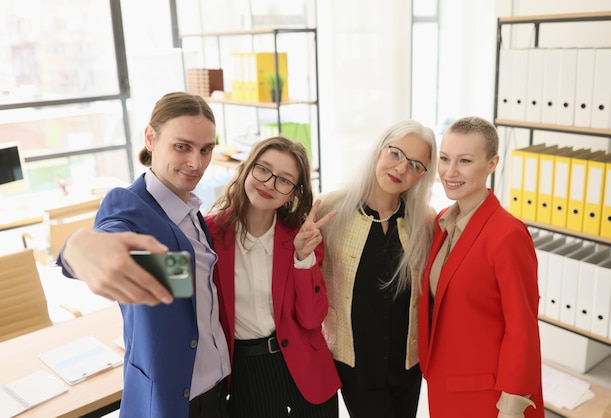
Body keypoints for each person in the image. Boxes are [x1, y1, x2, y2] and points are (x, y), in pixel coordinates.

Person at [58, 92, 231, 418]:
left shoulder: (191, 210)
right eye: (182, 146)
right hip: (173, 401)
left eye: (206, 149)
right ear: (151, 138)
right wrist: (78, 246)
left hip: (218, 391)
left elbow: (188, 294)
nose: (197, 163)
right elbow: (107, 233)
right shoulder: (129, 206)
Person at [205, 136, 341, 418]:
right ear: (246, 168)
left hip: (307, 373)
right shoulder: (209, 234)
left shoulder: (302, 238)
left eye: (284, 180)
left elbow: (312, 319)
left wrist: (303, 258)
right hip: (247, 374)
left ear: (293, 193)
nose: (269, 183)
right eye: (263, 169)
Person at [417, 116, 544, 417]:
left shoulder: (508, 235)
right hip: (444, 382)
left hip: (488, 393)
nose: (450, 172)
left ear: (492, 164)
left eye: (465, 161)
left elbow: (522, 327)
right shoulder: (442, 221)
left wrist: (512, 405)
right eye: (445, 159)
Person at [317, 120, 438, 418]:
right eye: (396, 154)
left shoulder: (424, 220)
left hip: (407, 365)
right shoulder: (330, 208)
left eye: (414, 165)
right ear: (379, 150)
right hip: (356, 363)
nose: (400, 169)